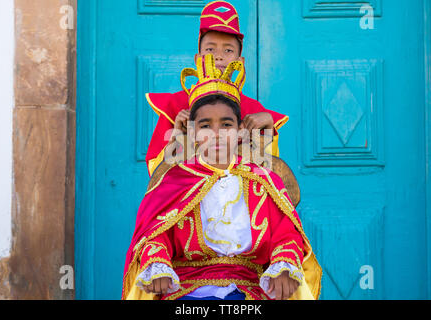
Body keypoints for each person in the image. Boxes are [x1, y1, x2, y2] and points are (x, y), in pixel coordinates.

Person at [122, 55, 322, 300]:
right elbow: (156, 233)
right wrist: (157, 264)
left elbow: (285, 232)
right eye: (206, 126)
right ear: (193, 133)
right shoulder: (175, 180)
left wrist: (284, 265)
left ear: (239, 131)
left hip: (252, 285)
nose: (216, 134)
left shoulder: (262, 179)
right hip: (187, 288)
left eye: (226, 125)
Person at [145, 0, 289, 176]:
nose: (219, 57)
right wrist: (177, 134)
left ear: (240, 61)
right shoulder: (176, 106)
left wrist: (267, 128)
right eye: (210, 49)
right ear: (198, 58)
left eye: (228, 50)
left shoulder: (253, 111)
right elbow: (155, 172)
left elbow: (270, 174)